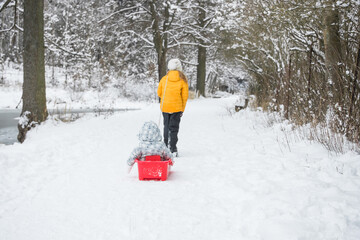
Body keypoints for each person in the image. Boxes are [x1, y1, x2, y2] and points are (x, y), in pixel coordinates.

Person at [157, 58, 189, 157]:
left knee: (166, 127)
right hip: (176, 108)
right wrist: (182, 109)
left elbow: (159, 93)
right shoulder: (182, 80)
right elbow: (185, 96)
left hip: (165, 107)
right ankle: (173, 148)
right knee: (174, 128)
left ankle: (166, 147)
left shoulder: (164, 79)